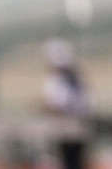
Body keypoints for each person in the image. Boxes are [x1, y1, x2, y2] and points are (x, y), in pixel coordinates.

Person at [41, 39, 90, 169]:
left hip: (69, 125)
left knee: (71, 159)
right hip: (69, 125)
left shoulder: (67, 79)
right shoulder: (65, 78)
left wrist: (45, 106)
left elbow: (62, 104)